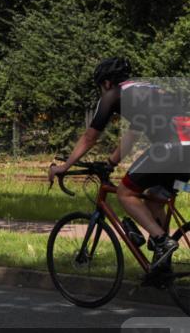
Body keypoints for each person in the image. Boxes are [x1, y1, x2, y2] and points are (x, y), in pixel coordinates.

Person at [49, 57, 189, 282]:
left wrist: (65, 166)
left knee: (125, 193)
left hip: (170, 147)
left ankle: (162, 241)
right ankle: (162, 269)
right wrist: (111, 163)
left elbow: (90, 137)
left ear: (106, 83)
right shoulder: (147, 91)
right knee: (153, 197)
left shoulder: (112, 95)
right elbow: (132, 136)